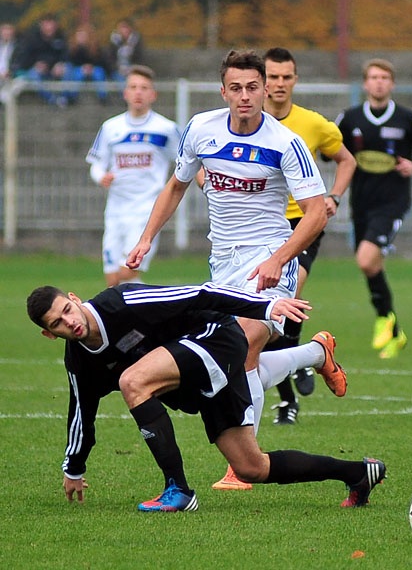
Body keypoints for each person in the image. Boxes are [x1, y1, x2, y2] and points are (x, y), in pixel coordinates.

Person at [126, 49, 346, 491]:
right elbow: (175, 186)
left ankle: (244, 462)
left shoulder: (286, 143)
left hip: (270, 256)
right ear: (223, 90)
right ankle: (315, 354)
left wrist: (278, 259)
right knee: (232, 355)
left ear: (265, 89)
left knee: (245, 342)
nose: (245, 96)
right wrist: (147, 237)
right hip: (222, 264)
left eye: (253, 87)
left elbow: (317, 212)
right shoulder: (200, 130)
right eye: (236, 88)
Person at [26, 282, 385, 512]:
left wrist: (263, 308)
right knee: (250, 467)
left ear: (74, 298)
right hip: (196, 373)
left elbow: (201, 292)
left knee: (132, 381)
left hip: (214, 337)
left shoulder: (120, 302)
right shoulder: (79, 362)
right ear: (48, 334)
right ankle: (357, 473)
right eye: (57, 323)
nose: (69, 321)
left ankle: (177, 490)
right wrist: (73, 468)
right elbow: (80, 414)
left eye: (67, 310)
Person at [260, 46, 357, 425]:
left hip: (302, 223)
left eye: (286, 77)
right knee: (265, 314)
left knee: (290, 291)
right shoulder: (246, 122)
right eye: (273, 77)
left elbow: (346, 160)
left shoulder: (314, 124)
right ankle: (293, 383)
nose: (279, 84)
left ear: (295, 80)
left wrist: (334, 196)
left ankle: (301, 361)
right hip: (258, 227)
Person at [335, 58, 412, 359]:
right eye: (374, 77)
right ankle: (393, 328)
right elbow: (331, 147)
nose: (379, 82)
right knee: (371, 265)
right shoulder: (350, 117)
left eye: (384, 77)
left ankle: (383, 320)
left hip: (393, 202)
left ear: (391, 84)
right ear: (365, 84)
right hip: (360, 202)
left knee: (366, 260)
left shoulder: (407, 118)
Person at [86, 65, 179, 286]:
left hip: (146, 211)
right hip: (116, 211)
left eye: (144, 88)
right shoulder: (110, 127)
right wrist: (101, 177)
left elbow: (185, 160)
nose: (138, 92)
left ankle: (147, 313)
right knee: (112, 280)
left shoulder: (166, 128)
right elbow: (97, 164)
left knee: (127, 272)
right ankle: (140, 318)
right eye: (133, 87)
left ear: (153, 94)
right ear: (125, 93)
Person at [14, 13, 71, 106]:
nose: (49, 28)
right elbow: (25, 59)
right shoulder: (32, 39)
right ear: (41, 25)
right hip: (38, 70)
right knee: (33, 74)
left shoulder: (61, 37)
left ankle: (66, 98)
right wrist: (37, 64)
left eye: (51, 24)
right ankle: (51, 99)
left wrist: (59, 64)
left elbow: (66, 55)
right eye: (46, 24)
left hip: (55, 68)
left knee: (68, 68)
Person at [68, 23, 110, 103]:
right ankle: (72, 96)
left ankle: (103, 97)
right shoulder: (73, 48)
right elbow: (72, 61)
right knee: (77, 74)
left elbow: (100, 61)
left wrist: (91, 67)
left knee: (99, 73)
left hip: (93, 68)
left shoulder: (95, 47)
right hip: (79, 68)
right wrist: (83, 67)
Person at [108, 18, 143, 82]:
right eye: (121, 28)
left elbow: (139, 59)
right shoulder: (113, 42)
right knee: (120, 79)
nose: (123, 30)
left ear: (130, 29)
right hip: (117, 70)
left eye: (125, 27)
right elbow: (110, 59)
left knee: (133, 79)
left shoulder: (136, 42)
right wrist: (118, 68)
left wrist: (131, 69)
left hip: (132, 69)